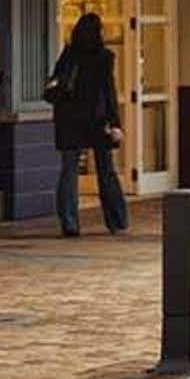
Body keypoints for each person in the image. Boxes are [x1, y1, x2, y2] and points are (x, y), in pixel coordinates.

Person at [46, 12, 126, 237]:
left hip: (68, 120)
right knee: (106, 170)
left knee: (69, 173)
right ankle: (116, 220)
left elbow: (56, 82)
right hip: (96, 119)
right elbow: (108, 93)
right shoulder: (104, 57)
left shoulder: (69, 54)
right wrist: (115, 123)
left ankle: (70, 223)